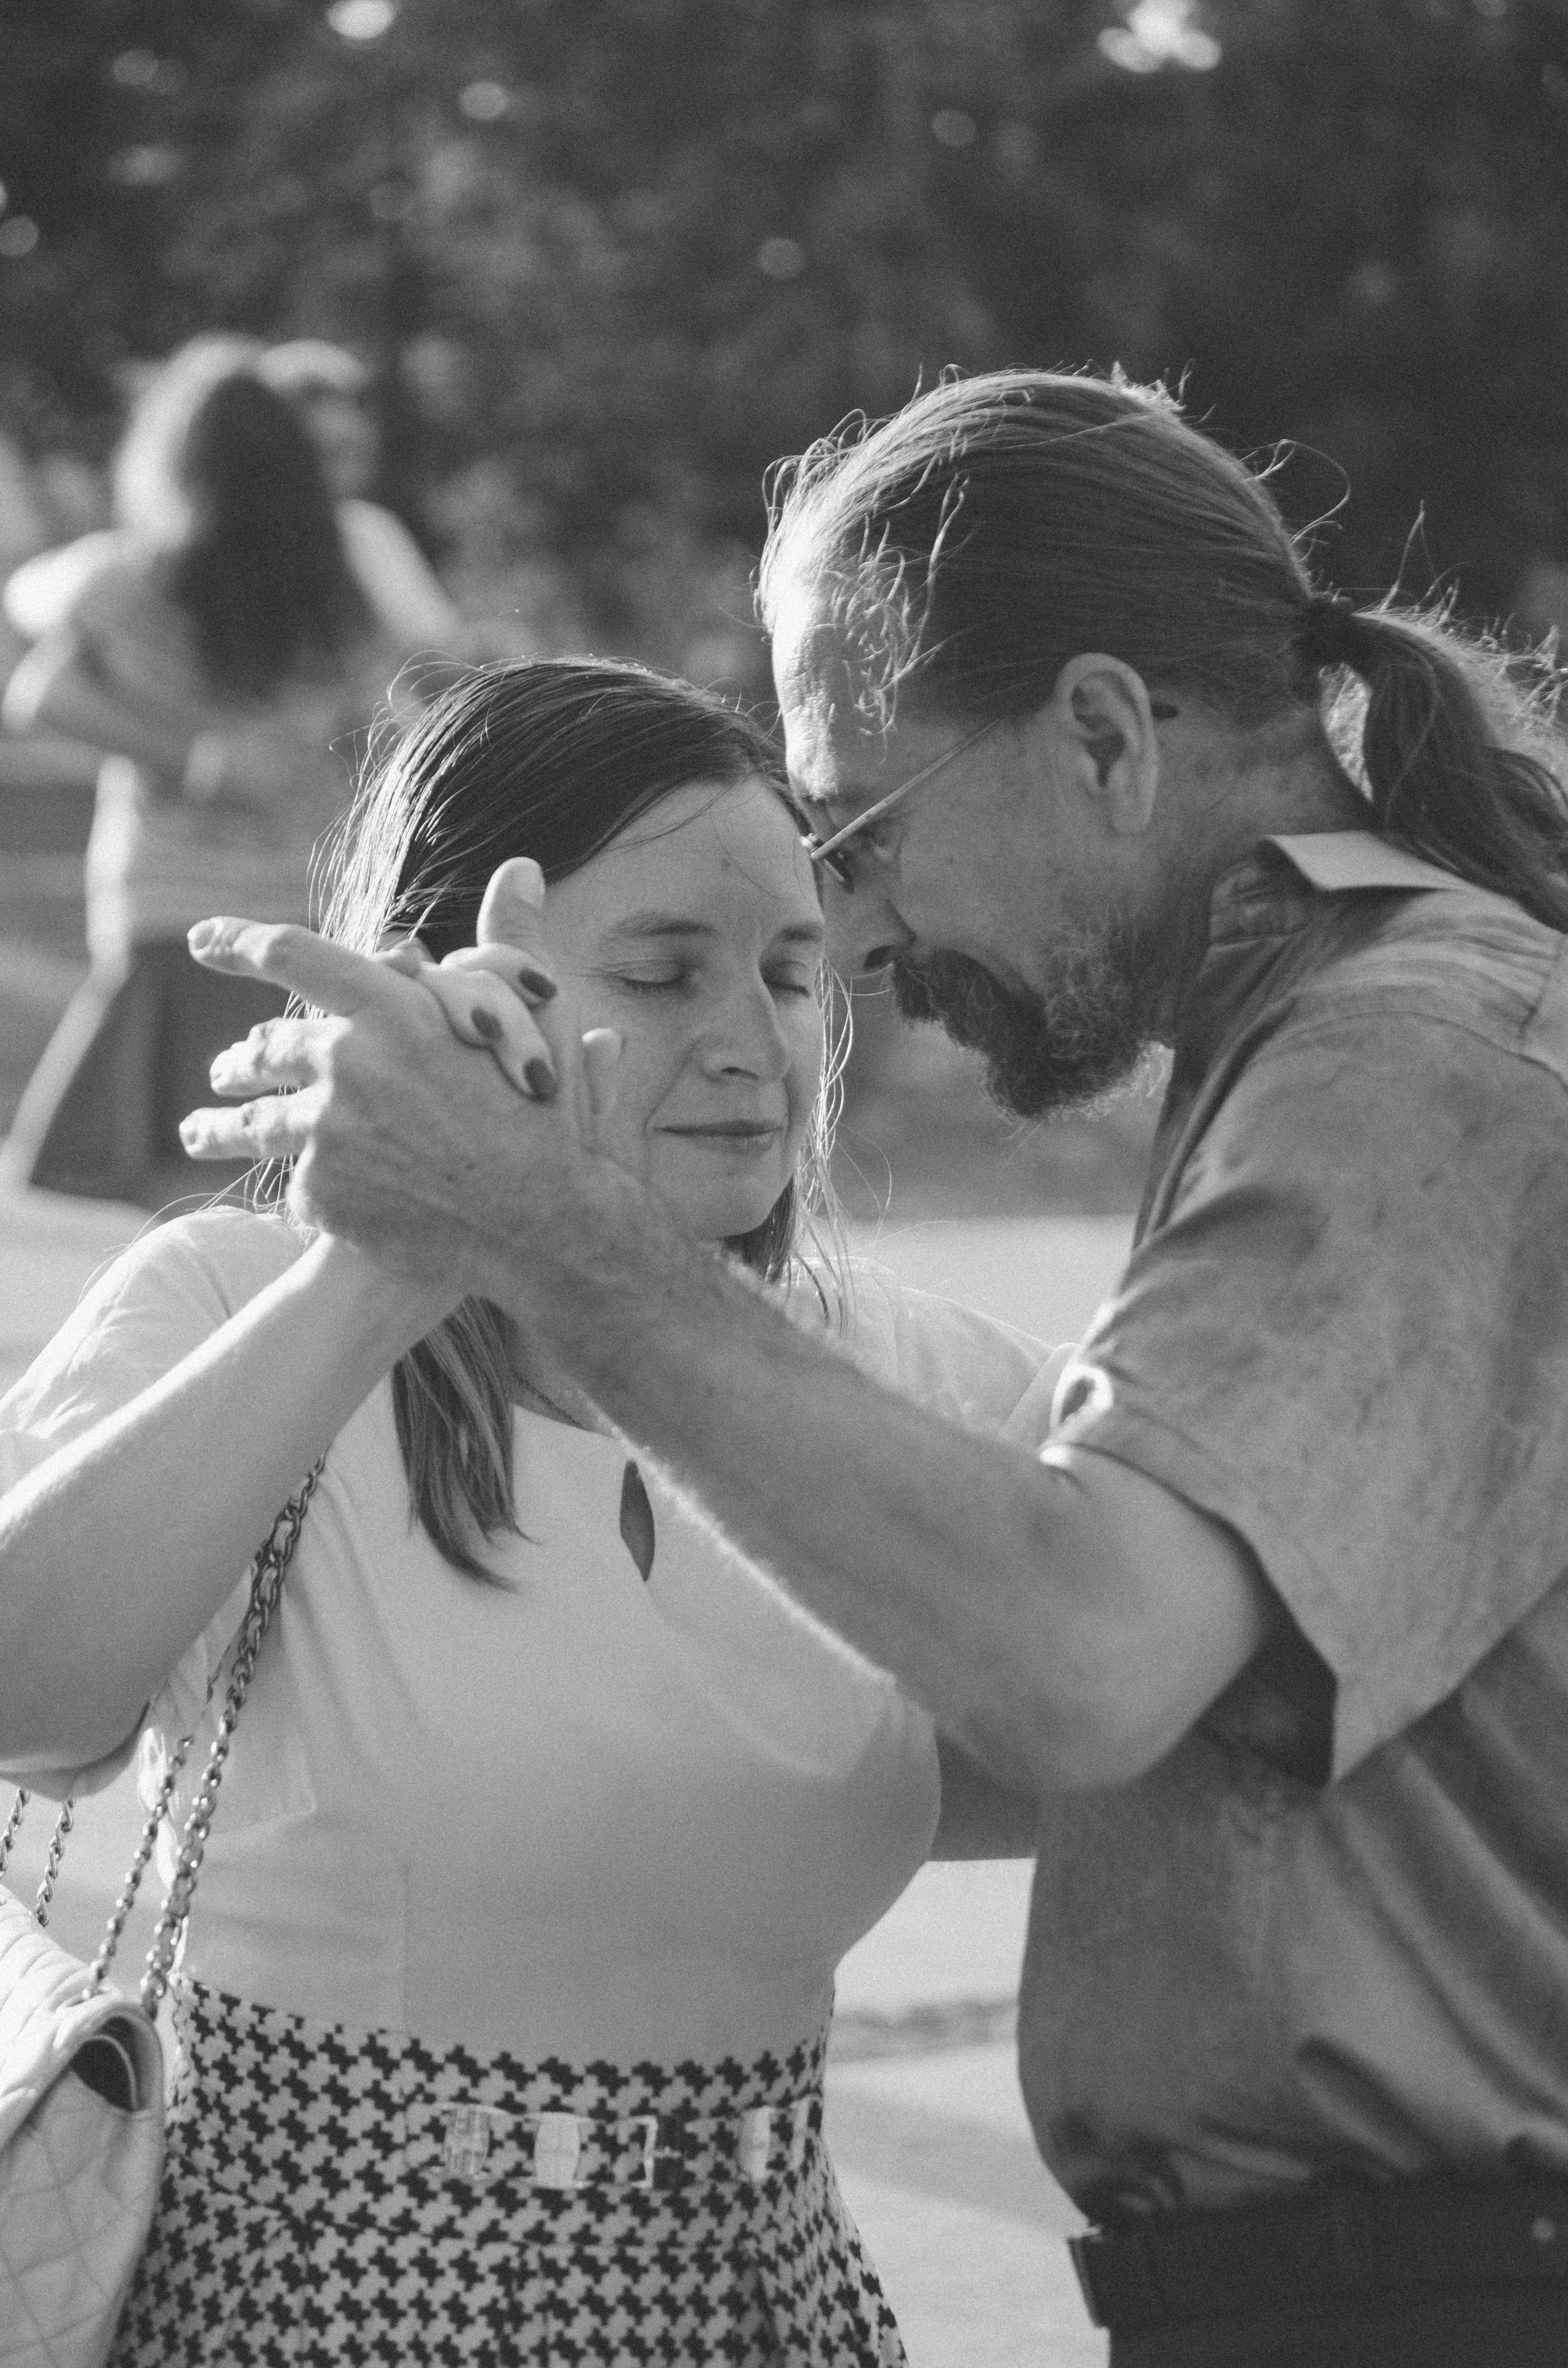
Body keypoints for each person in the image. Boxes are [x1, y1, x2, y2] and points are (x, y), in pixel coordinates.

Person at [178, 369, 1568, 2367]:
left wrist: (541, 1226)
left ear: (1101, 734)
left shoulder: (1404, 1059)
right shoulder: (1363, 1025)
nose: (858, 931)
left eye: (863, 825)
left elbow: (1083, 1655)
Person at [0, 658, 1054, 2367]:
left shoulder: (895, 1373)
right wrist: (394, 1252)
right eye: (662, 969)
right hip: (317, 2303)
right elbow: (29, 1702)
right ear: (449, 984)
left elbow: (1195, 1676)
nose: (753, 1037)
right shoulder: (234, 1298)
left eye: (795, 971)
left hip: (763, 2305)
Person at [0, 335, 418, 1208]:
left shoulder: (137, 577)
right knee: (281, 1169)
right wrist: (221, 759)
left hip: (182, 895)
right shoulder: (326, 583)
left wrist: (192, 757)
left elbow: (41, 695)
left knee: (187, 1177)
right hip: (286, 895)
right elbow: (386, 721)